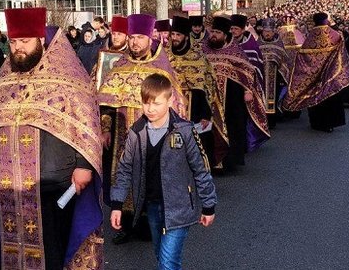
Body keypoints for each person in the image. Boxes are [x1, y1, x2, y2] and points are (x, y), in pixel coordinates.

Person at [0, 8, 103, 270]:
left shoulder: (68, 75)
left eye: (25, 41)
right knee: (15, 247)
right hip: (11, 182)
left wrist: (83, 165)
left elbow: (86, 121)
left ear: (41, 39)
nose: (18, 48)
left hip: (53, 180)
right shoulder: (5, 78)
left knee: (53, 250)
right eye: (13, 42)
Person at [110, 73, 216, 270]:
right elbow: (124, 168)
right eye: (146, 103)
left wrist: (208, 205)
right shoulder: (136, 131)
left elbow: (201, 169)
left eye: (156, 103)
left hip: (179, 207)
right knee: (162, 256)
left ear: (169, 101)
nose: (150, 109)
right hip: (152, 204)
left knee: (167, 263)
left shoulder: (183, 131)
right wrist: (117, 204)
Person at [98, 13, 186, 244]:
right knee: (123, 177)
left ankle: (151, 224)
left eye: (139, 37)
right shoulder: (120, 65)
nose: (134, 43)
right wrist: (105, 128)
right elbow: (105, 104)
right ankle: (126, 226)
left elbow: (176, 102)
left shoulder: (161, 67)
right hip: (122, 136)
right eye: (132, 37)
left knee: (151, 177)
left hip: (154, 135)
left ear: (149, 38)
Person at [201, 16, 270, 171]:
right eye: (212, 31)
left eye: (218, 32)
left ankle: (227, 162)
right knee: (208, 130)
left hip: (231, 100)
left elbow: (248, 72)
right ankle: (210, 162)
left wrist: (248, 90)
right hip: (207, 100)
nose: (213, 35)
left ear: (225, 35)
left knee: (232, 128)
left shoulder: (235, 51)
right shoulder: (203, 49)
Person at [166, 15, 223, 168]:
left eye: (179, 35)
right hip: (167, 106)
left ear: (185, 36)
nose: (175, 38)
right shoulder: (164, 55)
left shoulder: (197, 55)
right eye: (173, 34)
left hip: (194, 108)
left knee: (196, 147)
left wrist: (206, 114)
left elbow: (206, 87)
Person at [283, 13, 349, 133]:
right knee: (329, 97)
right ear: (325, 20)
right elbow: (341, 45)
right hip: (330, 73)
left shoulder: (311, 36)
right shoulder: (332, 34)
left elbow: (302, 56)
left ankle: (316, 123)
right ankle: (329, 123)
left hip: (313, 76)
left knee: (315, 98)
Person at [257, 19, 291, 126]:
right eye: (265, 31)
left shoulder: (279, 43)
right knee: (261, 98)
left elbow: (284, 60)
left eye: (269, 31)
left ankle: (272, 120)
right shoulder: (257, 43)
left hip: (275, 77)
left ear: (273, 32)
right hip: (261, 77)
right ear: (262, 31)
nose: (267, 33)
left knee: (273, 98)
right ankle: (261, 120)